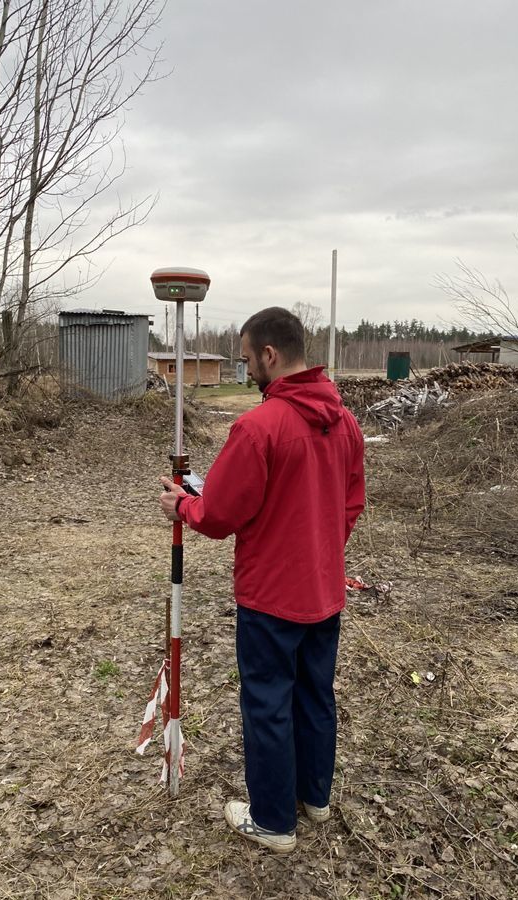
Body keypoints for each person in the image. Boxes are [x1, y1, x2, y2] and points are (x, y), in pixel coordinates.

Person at [159, 306, 365, 853]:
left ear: (270, 355)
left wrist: (183, 507)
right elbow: (350, 504)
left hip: (271, 597)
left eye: (248, 358)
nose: (246, 369)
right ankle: (313, 797)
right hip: (324, 591)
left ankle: (273, 820)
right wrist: (319, 552)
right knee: (316, 695)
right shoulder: (345, 422)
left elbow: (221, 514)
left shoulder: (258, 427)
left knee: (269, 702)